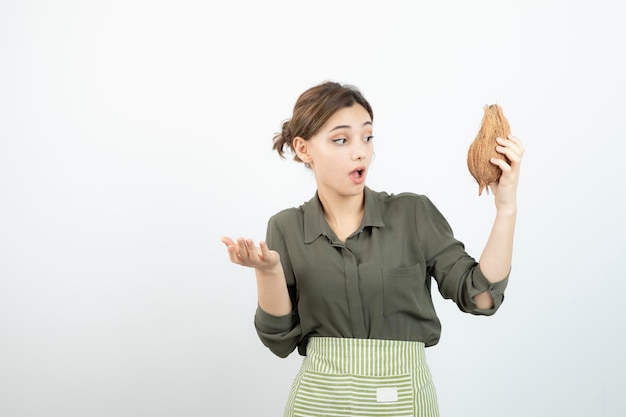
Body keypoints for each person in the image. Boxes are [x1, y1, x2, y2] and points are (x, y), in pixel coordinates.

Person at [221, 81, 524, 417]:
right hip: (318, 405)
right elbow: (279, 341)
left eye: (367, 137)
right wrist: (268, 272)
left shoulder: (413, 214)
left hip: (403, 405)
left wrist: (505, 207)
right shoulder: (286, 227)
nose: (360, 151)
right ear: (304, 149)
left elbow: (482, 298)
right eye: (341, 140)